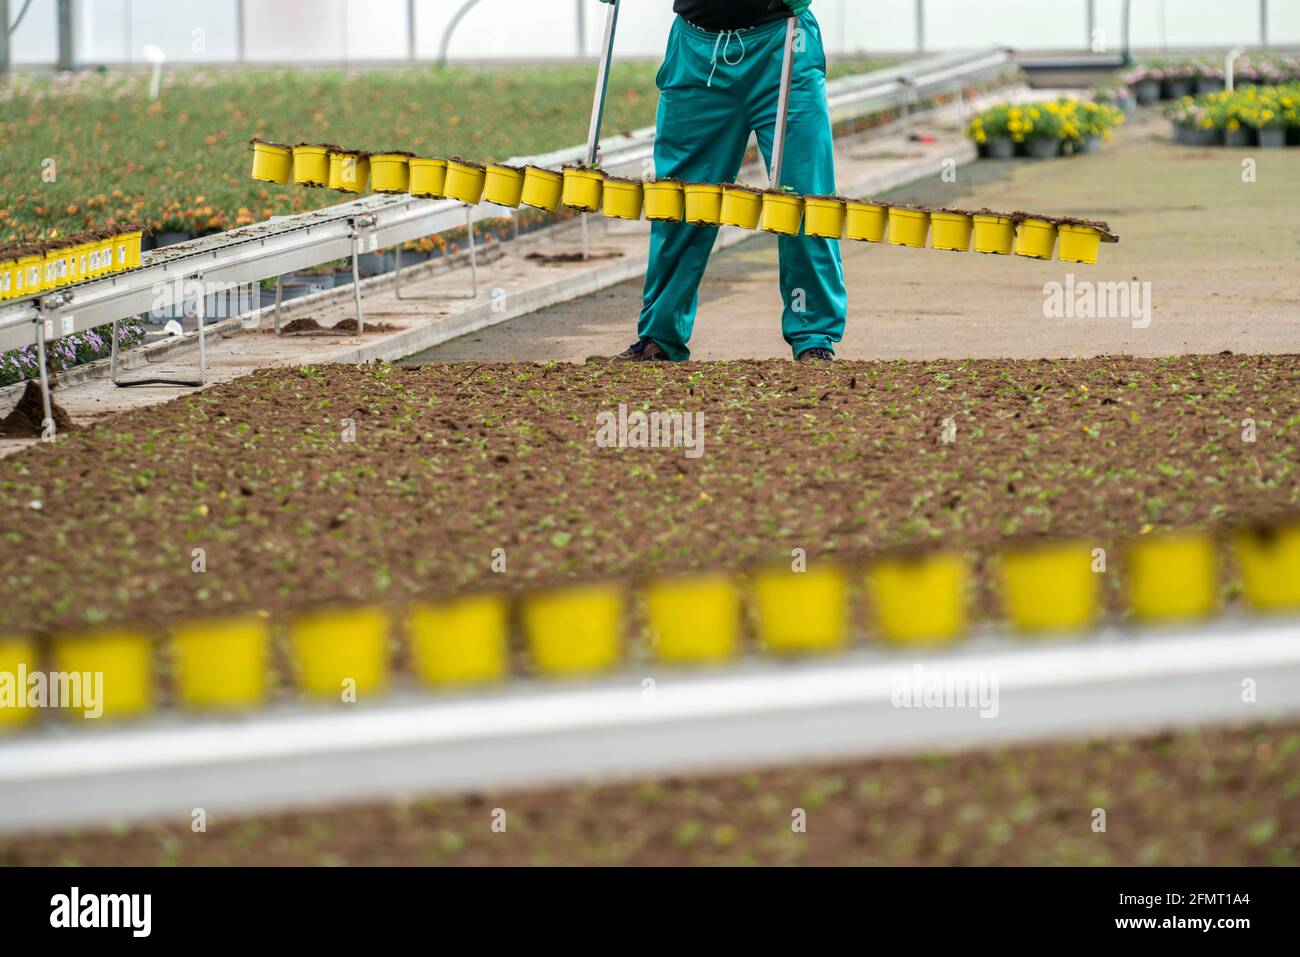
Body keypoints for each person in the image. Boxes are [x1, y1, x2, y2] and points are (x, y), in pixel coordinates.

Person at [603, 0, 846, 362]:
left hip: (784, 44)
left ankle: (814, 337)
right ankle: (661, 335)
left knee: (803, 200)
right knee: (679, 201)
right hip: (697, 53)